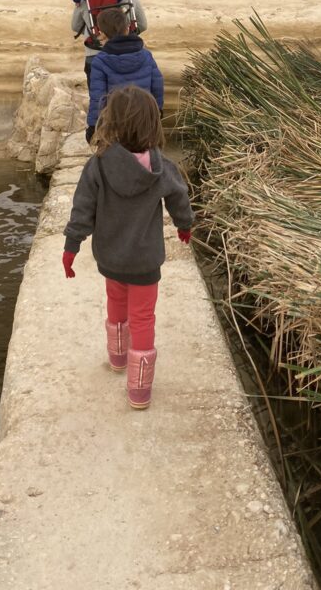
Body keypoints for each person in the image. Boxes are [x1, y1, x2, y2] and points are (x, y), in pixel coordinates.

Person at [62, 85, 194, 410]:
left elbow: (83, 209)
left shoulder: (99, 166)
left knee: (116, 305)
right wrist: (184, 226)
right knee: (143, 317)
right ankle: (139, 392)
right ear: (153, 124)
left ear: (112, 123)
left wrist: (71, 246)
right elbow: (179, 197)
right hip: (145, 261)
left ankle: (118, 359)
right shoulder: (160, 168)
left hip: (110, 256)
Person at [85, 6, 164, 144]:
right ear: (127, 29)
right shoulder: (146, 55)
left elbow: (98, 98)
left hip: (115, 125)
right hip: (143, 120)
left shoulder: (100, 61)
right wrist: (157, 111)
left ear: (102, 34)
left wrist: (93, 126)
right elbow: (157, 85)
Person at [71, 0, 147, 89]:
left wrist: (97, 34)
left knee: (99, 98)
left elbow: (75, 26)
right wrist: (125, 33)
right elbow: (143, 24)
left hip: (94, 55)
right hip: (127, 53)